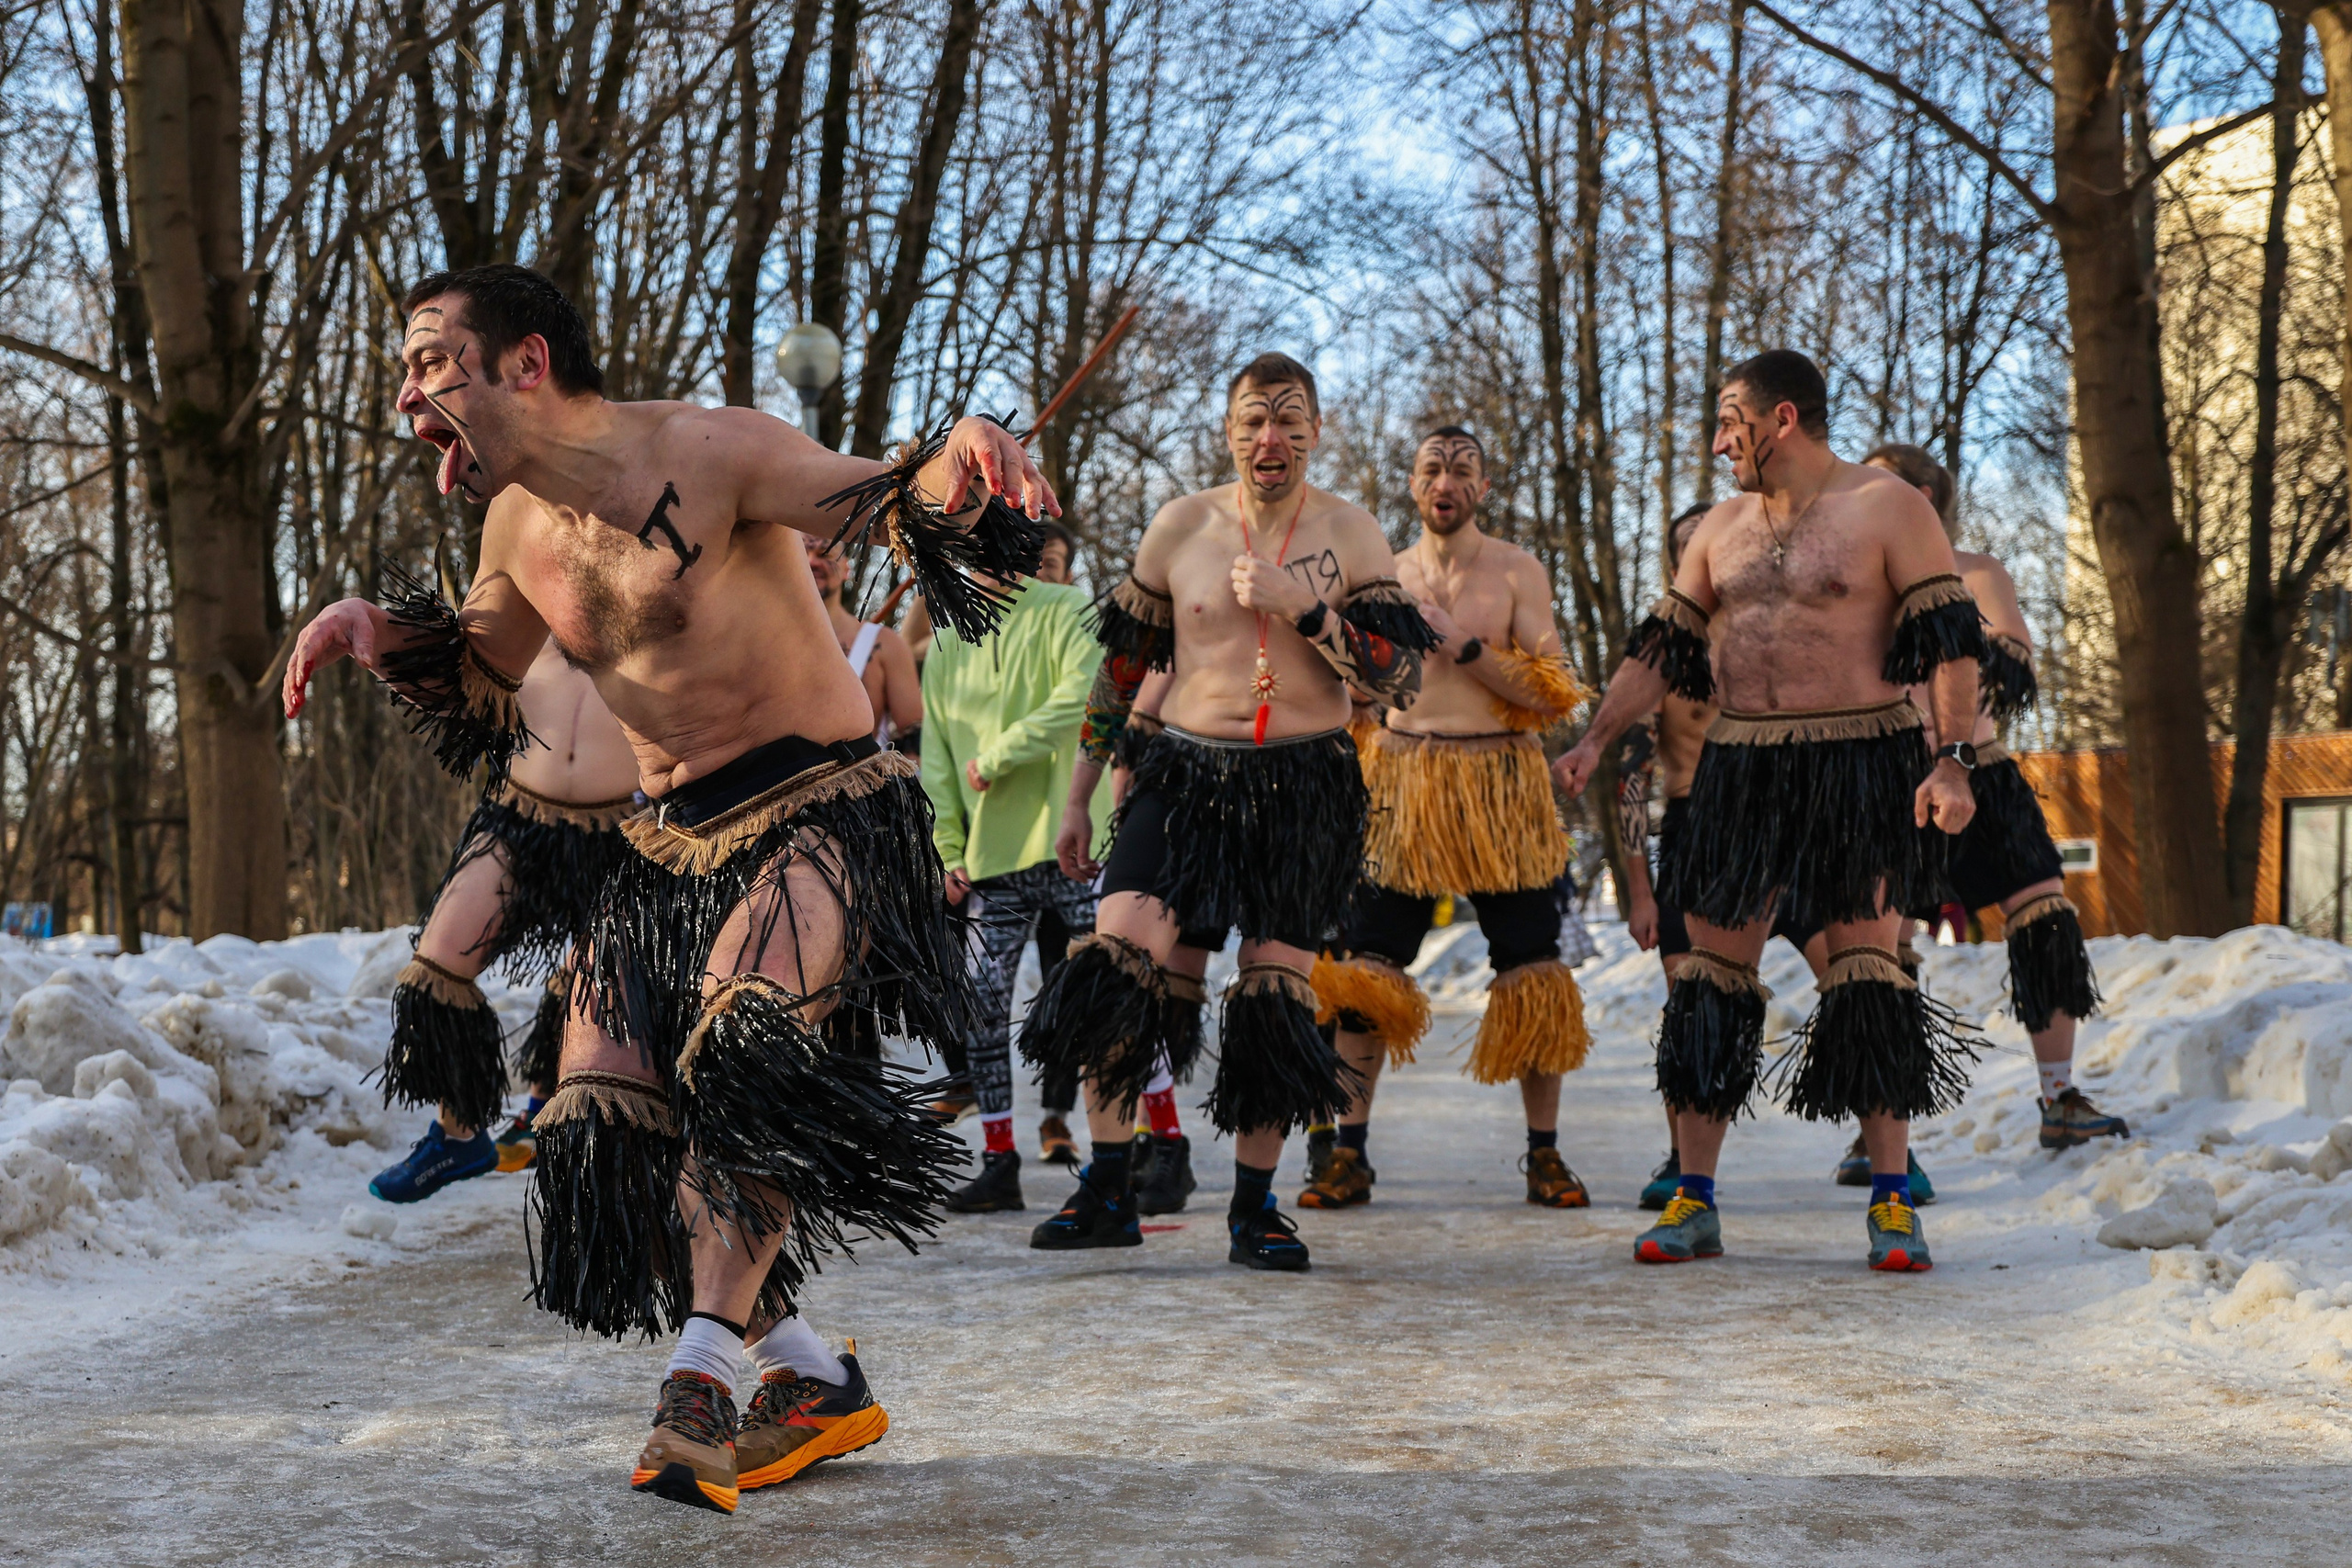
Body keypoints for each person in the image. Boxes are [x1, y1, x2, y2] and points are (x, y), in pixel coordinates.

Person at [282, 262, 1055, 1514]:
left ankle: (697, 1378)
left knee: (748, 1054)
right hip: (670, 839)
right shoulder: (514, 528)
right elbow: (486, 673)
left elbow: (877, 490)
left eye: (432, 361)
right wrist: (379, 630)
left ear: (526, 364)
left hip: (822, 806)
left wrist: (960, 445)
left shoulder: (711, 447)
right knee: (597, 1122)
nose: (409, 389)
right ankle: (803, 1370)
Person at [1555, 349, 1981, 1273]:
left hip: (1860, 763)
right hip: (1739, 767)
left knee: (1867, 976)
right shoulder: (1719, 528)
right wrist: (1596, 737)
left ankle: (1891, 1202)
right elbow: (1659, 648)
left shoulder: (1886, 509)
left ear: (1781, 419)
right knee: (1707, 983)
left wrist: (1948, 761)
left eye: (1729, 422)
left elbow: (1951, 645)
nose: (1718, 443)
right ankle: (1693, 1198)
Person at [1018, 351, 1437, 1270]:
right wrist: (1080, 796)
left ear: (1316, 432)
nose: (1270, 436)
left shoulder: (1354, 536)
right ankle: (1107, 1184)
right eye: (1252, 419)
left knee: (1273, 996)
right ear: (1228, 431)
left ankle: (1255, 1207)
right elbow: (1119, 670)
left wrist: (1308, 612)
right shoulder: (1180, 527)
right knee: (1114, 963)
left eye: (1288, 418)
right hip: (1181, 771)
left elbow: (1400, 679)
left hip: (1303, 784)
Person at [1301, 426, 1592, 1211]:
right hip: (1402, 781)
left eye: (1464, 468)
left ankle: (1545, 1155)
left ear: (1484, 488)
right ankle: (1347, 1154)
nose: (1447, 480)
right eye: (1433, 466)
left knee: (1533, 971)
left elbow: (1554, 691)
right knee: (1367, 971)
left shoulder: (1517, 570)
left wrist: (1464, 646)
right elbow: (1346, 683)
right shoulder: (1381, 573)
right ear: (1413, 484)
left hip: (1503, 784)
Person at [1614, 504, 1937, 1212]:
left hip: (1815, 822)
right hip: (1711, 833)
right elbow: (1628, 773)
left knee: (1862, 989)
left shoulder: (1789, 632)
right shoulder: (1669, 651)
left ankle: (1887, 1162)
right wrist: (1640, 889)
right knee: (1699, 1007)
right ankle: (1687, 1172)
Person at [920, 521, 1200, 1214]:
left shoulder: (1067, 608)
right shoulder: (945, 640)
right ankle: (998, 1161)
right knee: (983, 1005)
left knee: (1114, 996)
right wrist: (948, 850)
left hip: (1074, 844)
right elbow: (936, 755)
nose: (982, 555)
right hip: (992, 857)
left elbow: (1081, 702)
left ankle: (1166, 1145)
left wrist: (1001, 754)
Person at [1862, 443, 2123, 1151]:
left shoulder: (1976, 571)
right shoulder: (1861, 576)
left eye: (1880, 480)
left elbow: (2015, 657)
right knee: (1886, 945)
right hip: (1892, 779)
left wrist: (1953, 635)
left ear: (1922, 494)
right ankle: (1883, 1128)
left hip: (1982, 767)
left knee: (2045, 913)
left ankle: (2059, 1094)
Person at [368, 642, 641, 1201]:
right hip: (518, 818)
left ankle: (561, 1122)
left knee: (587, 990)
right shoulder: (530, 571)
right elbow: (461, 670)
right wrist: (372, 643)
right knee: (436, 966)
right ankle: (459, 1135)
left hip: (628, 830)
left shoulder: (659, 570)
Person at [806, 535, 922, 749]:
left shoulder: (885, 644)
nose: (812, 562)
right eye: (802, 555)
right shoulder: (761, 642)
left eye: (824, 554)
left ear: (846, 569)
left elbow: (914, 737)